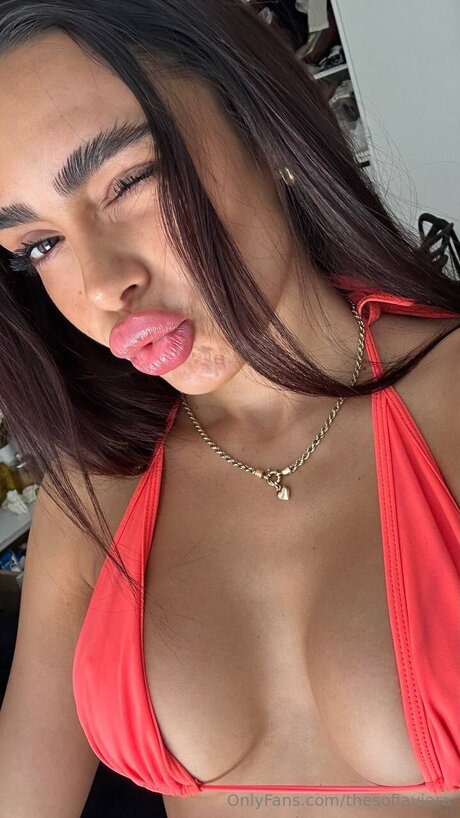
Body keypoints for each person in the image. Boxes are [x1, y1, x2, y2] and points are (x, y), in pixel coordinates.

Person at [0, 2, 460, 817]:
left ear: (264, 132)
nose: (102, 284)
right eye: (40, 245)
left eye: (128, 181)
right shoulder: (99, 487)